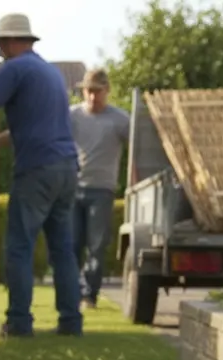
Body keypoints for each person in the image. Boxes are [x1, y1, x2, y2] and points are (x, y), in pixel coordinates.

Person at [0, 14, 82, 337]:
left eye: (0, 44)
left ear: (12, 41)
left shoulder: (14, 69)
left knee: (19, 247)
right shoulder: (50, 73)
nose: (0, 52)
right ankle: (71, 323)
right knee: (62, 251)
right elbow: (27, 129)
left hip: (37, 170)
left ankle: (18, 323)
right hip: (66, 169)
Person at [68, 68, 130, 309]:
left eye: (98, 92)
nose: (93, 97)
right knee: (72, 244)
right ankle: (71, 292)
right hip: (74, 188)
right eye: (89, 91)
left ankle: (88, 296)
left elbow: (137, 147)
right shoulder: (72, 116)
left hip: (102, 189)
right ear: (83, 91)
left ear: (107, 91)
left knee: (96, 245)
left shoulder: (120, 119)